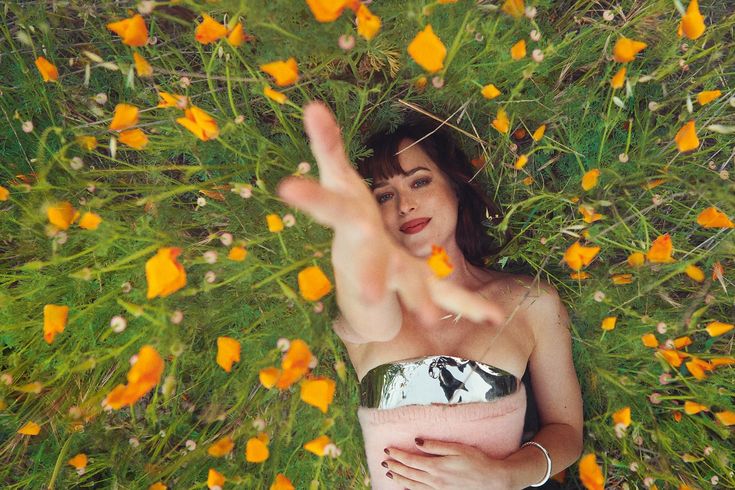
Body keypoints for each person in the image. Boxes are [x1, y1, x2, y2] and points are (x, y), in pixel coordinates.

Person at [276, 101, 583, 490]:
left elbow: (567, 432)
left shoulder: (532, 302)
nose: (405, 205)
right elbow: (367, 312)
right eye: (384, 196)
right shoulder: (373, 309)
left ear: (455, 188)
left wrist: (504, 474)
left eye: (419, 182)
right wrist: (353, 243)